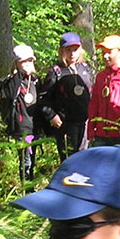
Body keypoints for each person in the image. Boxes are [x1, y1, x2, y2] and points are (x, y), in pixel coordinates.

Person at [37, 32, 94, 161]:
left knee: (84, 158)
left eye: (75, 50)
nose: (72, 54)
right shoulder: (56, 72)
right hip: (66, 124)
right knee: (69, 160)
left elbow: (92, 93)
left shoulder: (85, 69)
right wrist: (51, 115)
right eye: (68, 50)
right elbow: (43, 99)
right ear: (62, 51)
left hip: (85, 122)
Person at [0, 44, 40, 182]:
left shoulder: (36, 81)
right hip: (21, 128)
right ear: (16, 63)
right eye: (24, 61)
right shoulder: (9, 81)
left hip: (35, 127)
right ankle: (26, 189)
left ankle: (30, 185)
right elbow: (10, 94)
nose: (28, 64)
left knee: (32, 160)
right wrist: (20, 73)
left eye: (30, 61)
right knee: (25, 161)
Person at [86, 35, 120, 148]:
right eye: (103, 53)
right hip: (100, 135)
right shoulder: (101, 76)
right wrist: (91, 129)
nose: (105, 56)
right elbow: (94, 104)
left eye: (109, 52)